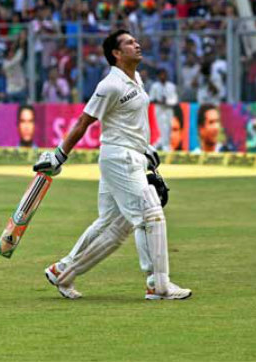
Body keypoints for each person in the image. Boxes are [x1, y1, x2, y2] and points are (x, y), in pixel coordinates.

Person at [33, 29, 191, 301]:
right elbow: (84, 122)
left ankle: (63, 271)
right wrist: (59, 156)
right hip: (119, 158)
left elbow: (130, 123)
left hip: (130, 155)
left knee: (114, 226)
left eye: (136, 40)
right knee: (150, 215)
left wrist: (146, 148)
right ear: (117, 54)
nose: (137, 44)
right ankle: (158, 284)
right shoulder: (110, 85)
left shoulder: (136, 78)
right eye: (130, 43)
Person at [149, 69, 178, 151]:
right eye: (161, 75)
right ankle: (166, 147)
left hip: (169, 109)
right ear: (158, 76)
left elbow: (174, 100)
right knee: (162, 128)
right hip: (159, 110)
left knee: (168, 128)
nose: (163, 76)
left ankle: (156, 146)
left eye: (164, 74)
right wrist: (158, 101)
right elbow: (151, 98)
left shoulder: (171, 86)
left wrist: (167, 102)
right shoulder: (155, 86)